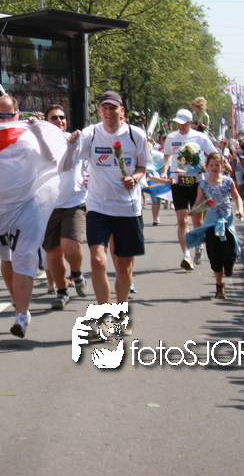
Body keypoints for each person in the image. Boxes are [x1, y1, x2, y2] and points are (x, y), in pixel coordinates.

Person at [0, 94, 60, 338]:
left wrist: (38, 133)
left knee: (24, 257)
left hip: (27, 205)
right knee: (7, 259)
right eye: (1, 115)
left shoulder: (28, 134)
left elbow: (52, 160)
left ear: (18, 114)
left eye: (10, 115)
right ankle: (18, 300)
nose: (6, 119)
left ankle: (22, 315)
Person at [74, 91, 148, 319]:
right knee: (97, 261)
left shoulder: (136, 135)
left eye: (113, 108)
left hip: (127, 209)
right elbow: (71, 152)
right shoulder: (91, 134)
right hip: (98, 208)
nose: (108, 112)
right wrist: (70, 138)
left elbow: (143, 167)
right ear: (99, 111)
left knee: (124, 269)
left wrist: (134, 178)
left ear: (121, 111)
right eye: (104, 108)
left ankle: (121, 313)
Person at [41, 104, 89, 311]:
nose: (59, 120)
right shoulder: (40, 144)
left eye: (62, 117)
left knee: (70, 244)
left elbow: (89, 161)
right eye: (53, 118)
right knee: (53, 252)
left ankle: (76, 273)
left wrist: (90, 175)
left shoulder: (77, 139)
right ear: (46, 122)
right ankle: (62, 292)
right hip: (48, 205)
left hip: (74, 202)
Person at [161, 108, 218, 270]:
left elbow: (213, 154)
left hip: (196, 183)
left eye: (183, 123)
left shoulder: (200, 137)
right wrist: (165, 171)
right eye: (178, 123)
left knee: (197, 220)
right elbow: (167, 156)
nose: (180, 126)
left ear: (190, 122)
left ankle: (199, 246)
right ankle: (186, 255)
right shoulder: (171, 138)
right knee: (182, 220)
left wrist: (204, 165)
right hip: (178, 182)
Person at [186, 152, 244, 299]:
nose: (214, 168)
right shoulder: (203, 185)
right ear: (207, 167)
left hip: (226, 221)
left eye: (217, 165)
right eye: (211, 165)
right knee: (215, 255)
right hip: (211, 222)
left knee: (230, 253)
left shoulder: (228, 181)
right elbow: (198, 202)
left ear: (222, 166)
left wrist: (240, 210)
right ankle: (219, 286)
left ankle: (229, 267)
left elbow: (237, 197)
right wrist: (192, 211)